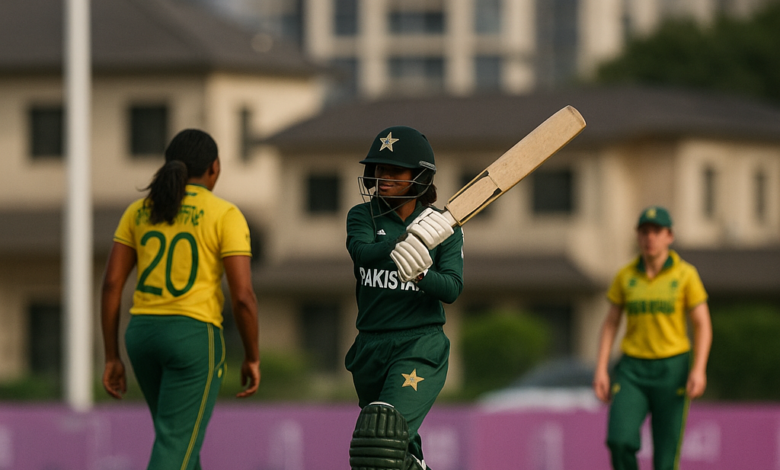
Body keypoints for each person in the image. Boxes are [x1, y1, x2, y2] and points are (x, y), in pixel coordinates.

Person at [101, 129, 261, 470]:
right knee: (177, 443)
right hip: (192, 338)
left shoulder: (138, 212)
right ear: (214, 168)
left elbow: (111, 285)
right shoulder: (225, 214)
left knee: (180, 441)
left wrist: (112, 356)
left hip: (141, 336)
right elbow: (243, 297)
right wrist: (252, 356)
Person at [345, 126, 464, 470]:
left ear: (419, 177)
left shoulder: (443, 228)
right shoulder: (362, 215)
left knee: (379, 439)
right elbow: (361, 253)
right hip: (370, 348)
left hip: (418, 345)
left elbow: (452, 289)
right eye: (379, 169)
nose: (383, 178)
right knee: (388, 457)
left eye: (394, 171)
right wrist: (403, 243)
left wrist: (422, 274)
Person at [593, 206, 712, 470]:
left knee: (665, 457)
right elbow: (611, 323)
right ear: (638, 236)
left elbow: (702, 324)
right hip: (632, 368)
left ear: (669, 236)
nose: (650, 238)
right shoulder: (626, 276)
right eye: (645, 232)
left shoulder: (685, 274)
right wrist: (601, 369)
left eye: (656, 231)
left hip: (672, 367)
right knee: (619, 440)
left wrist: (699, 368)